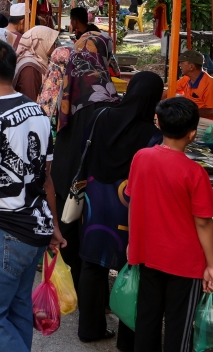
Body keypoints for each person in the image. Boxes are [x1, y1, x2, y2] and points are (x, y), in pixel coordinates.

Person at [0, 37, 65, 352]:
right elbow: (46, 180)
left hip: (2, 232)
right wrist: (54, 226)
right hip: (34, 231)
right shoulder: (37, 112)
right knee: (16, 310)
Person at [75, 71, 163, 347]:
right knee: (132, 270)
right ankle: (128, 339)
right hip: (129, 208)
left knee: (92, 264)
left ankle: (89, 328)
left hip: (96, 201)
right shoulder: (153, 135)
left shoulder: (100, 116)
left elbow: (84, 152)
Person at [125, 97, 213, 352]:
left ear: (159, 124)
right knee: (179, 326)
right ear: (193, 133)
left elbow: (133, 202)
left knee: (147, 318)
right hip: (185, 262)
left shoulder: (141, 157)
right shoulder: (195, 173)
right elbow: (204, 224)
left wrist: (132, 241)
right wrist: (211, 264)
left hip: (148, 252)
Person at [52, 34, 120, 284]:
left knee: (67, 226)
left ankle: (66, 285)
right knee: (88, 233)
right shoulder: (104, 94)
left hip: (65, 170)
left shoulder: (70, 85)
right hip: (92, 177)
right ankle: (88, 291)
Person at [12, 25, 59, 100]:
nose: (55, 47)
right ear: (41, 44)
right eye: (52, 44)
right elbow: (30, 103)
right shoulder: (30, 69)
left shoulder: (32, 60)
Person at [175, 49, 213, 116]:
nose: (179, 65)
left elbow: (211, 111)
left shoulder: (210, 84)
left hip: (206, 121)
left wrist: (187, 113)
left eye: (182, 62)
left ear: (191, 66)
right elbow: (170, 90)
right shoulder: (187, 78)